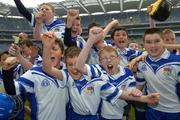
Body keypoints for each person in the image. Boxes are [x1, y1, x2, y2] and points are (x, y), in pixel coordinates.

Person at [42, 29, 160, 120]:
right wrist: (47, 47)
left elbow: (118, 93)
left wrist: (145, 98)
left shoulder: (96, 78)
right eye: (70, 64)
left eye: (76, 63)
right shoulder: (67, 76)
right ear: (66, 65)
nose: (74, 68)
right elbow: (47, 68)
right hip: (73, 116)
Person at [2, 36, 67, 120]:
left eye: (54, 49)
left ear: (62, 53)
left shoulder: (70, 74)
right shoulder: (35, 73)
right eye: (48, 49)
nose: (50, 52)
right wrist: (7, 70)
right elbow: (11, 90)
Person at [136, 28, 180, 120]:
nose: (153, 45)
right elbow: (139, 87)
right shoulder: (142, 62)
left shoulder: (177, 62)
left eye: (157, 41)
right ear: (143, 44)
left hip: (175, 111)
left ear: (163, 42)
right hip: (152, 111)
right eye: (148, 42)